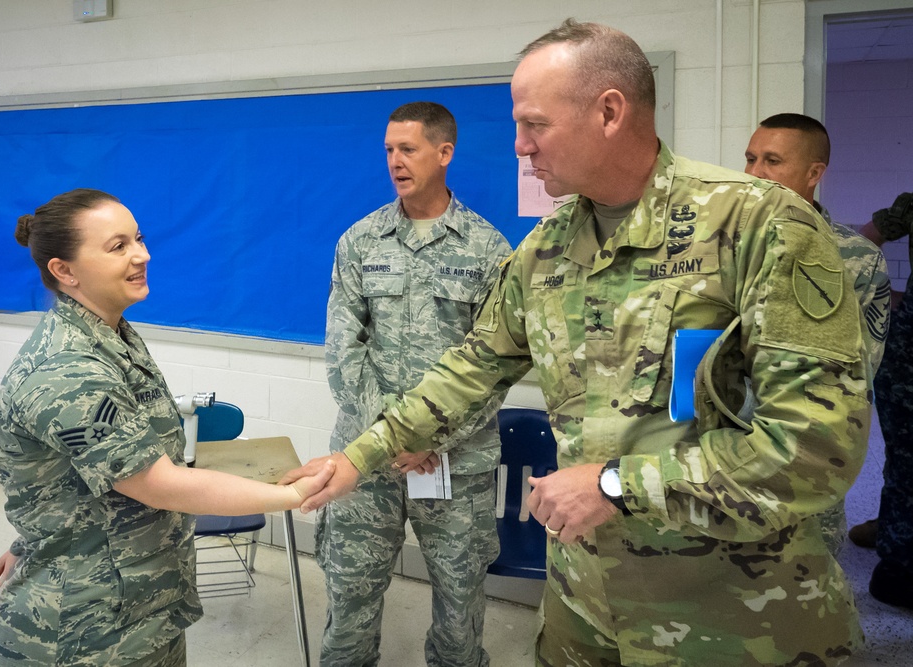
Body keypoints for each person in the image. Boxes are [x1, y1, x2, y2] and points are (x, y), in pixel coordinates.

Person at [284, 20, 872, 666]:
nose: (519, 146)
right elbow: (472, 367)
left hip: (729, 615)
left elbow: (816, 447)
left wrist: (618, 484)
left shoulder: (758, 225)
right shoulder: (548, 249)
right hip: (583, 611)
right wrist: (362, 454)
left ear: (609, 112)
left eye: (534, 124)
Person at [0, 188, 334, 667]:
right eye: (117, 246)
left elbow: (65, 478)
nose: (141, 255)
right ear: (65, 271)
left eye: (138, 239)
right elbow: (159, 485)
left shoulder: (111, 334)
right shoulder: (69, 369)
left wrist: (34, 539)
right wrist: (294, 496)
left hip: (138, 604)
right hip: (87, 632)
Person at [319, 101, 512, 667]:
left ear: (444, 152)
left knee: (459, 603)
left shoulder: (487, 248)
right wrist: (392, 434)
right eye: (388, 150)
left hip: (455, 462)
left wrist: (433, 436)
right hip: (366, 455)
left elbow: (496, 363)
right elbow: (342, 348)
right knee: (349, 593)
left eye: (408, 149)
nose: (395, 161)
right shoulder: (361, 240)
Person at [743, 112, 891, 555]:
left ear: (814, 173)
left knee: (806, 583)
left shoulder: (855, 258)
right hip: (723, 447)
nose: (754, 173)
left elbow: (859, 370)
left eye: (772, 160)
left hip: (804, 453)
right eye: (750, 158)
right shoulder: (722, 246)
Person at [853, 192, 913, 608]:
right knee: (906, 453)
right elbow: (864, 241)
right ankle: (896, 549)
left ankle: (897, 540)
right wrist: (886, 298)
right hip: (909, 353)